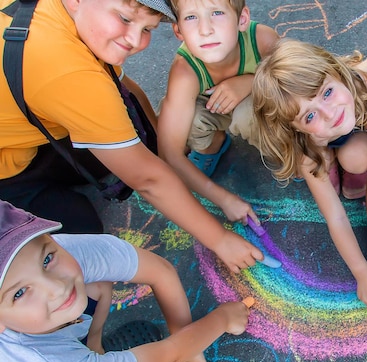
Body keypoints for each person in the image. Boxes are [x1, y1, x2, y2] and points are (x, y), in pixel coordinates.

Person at [0, 0, 262, 272]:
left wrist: (163, 146)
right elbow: (148, 179)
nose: (135, 40)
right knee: (81, 238)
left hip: (30, 122)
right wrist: (220, 240)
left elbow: (122, 85)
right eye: (125, 19)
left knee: (130, 144)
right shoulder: (68, 73)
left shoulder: (62, 16)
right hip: (8, 169)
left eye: (147, 28)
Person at [0, 199, 251, 362]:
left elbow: (160, 272)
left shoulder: (41, 251)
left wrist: (189, 348)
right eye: (19, 293)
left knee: (96, 284)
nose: (57, 288)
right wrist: (223, 319)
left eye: (47, 259)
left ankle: (95, 352)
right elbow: (169, 355)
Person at [252, 38, 367, 313]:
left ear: (337, 73)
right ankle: (328, 162)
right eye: (309, 116)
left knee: (356, 158)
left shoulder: (365, 80)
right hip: (325, 142)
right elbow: (336, 215)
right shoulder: (305, 145)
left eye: (326, 93)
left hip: (363, 128)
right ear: (294, 129)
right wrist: (362, 274)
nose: (329, 114)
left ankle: (349, 168)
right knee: (313, 159)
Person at [157, 0, 278, 223]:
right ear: (178, 30)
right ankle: (212, 146)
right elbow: (170, 153)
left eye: (217, 13)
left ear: (242, 19)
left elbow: (295, 85)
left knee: (248, 114)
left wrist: (251, 82)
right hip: (215, 108)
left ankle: (284, 148)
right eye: (191, 17)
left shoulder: (262, 40)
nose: (206, 29)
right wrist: (222, 198)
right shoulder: (184, 72)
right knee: (185, 117)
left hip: (258, 107)